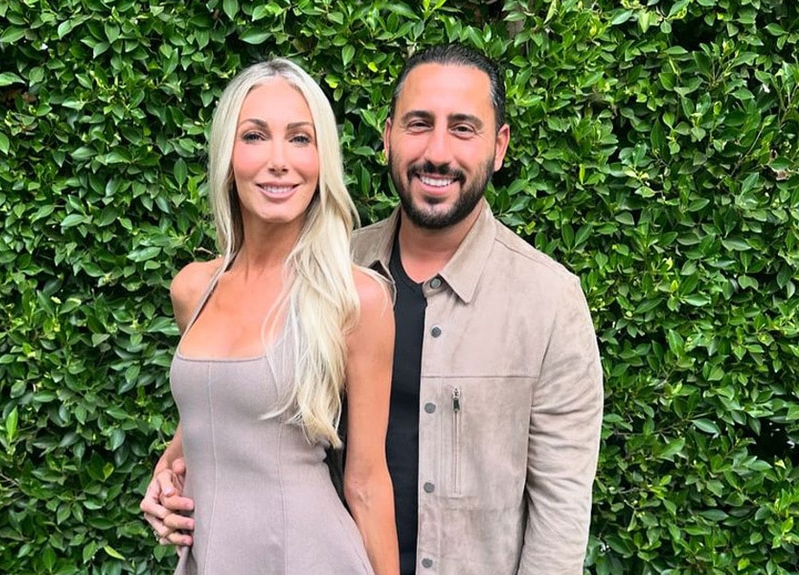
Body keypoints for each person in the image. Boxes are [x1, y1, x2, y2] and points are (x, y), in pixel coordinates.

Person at [143, 44, 603, 574]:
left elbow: (561, 508)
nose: (437, 152)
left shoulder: (548, 302)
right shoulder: (333, 271)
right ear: (386, 136)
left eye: (463, 128)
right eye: (418, 124)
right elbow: (230, 410)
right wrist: (170, 471)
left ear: (499, 147)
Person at [145, 57, 399, 574]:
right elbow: (217, 405)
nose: (279, 160)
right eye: (256, 136)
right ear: (227, 155)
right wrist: (168, 473)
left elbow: (367, 483)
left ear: (322, 158)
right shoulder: (193, 287)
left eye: (300, 139)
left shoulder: (355, 298)